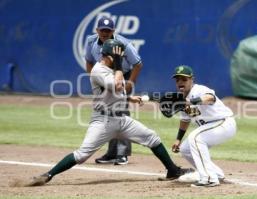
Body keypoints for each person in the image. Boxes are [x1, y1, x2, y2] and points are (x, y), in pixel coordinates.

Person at [26, 40, 187, 186]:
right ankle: (48, 175)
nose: (122, 59)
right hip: (103, 121)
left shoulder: (113, 70)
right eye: (120, 56)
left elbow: (117, 92)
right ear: (111, 57)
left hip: (121, 120)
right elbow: (116, 86)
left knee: (152, 137)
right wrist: (117, 63)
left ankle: (172, 170)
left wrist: (129, 99)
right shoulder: (99, 70)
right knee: (82, 155)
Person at [85, 16, 142, 165]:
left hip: (123, 75)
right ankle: (111, 153)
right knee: (107, 113)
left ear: (113, 31)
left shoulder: (123, 43)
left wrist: (130, 83)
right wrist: (95, 81)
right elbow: (89, 62)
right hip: (104, 76)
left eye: (108, 31)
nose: (105, 33)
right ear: (97, 30)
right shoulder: (91, 41)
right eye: (102, 30)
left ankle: (122, 153)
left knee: (121, 112)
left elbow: (137, 63)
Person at [170, 65, 237, 187]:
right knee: (186, 149)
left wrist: (192, 101)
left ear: (192, 79)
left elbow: (210, 98)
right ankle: (216, 174)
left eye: (184, 79)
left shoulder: (199, 90)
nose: (180, 82)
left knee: (196, 138)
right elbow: (185, 120)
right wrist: (178, 139)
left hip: (223, 123)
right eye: (177, 80)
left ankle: (209, 179)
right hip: (211, 127)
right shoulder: (182, 99)